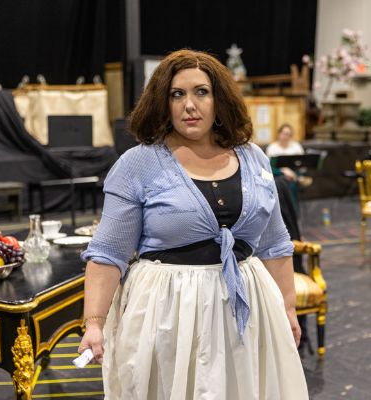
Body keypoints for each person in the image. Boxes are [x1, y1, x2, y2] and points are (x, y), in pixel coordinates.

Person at [78, 49, 308, 399]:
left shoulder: (253, 156)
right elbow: (108, 253)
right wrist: (94, 323)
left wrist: (287, 309)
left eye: (202, 92)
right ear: (162, 103)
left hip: (248, 308)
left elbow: (276, 244)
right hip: (169, 312)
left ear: (220, 100)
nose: (190, 104)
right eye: (177, 94)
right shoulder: (137, 164)